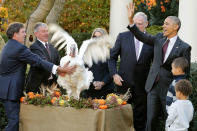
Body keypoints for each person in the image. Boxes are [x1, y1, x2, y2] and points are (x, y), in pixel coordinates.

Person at [127, 2, 191, 131]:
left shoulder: (184, 47)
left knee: (171, 120)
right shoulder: (158, 39)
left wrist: (180, 93)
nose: (163, 26)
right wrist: (131, 21)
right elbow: (142, 36)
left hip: (170, 90)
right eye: (164, 23)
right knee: (150, 120)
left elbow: (185, 73)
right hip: (152, 87)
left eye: (166, 24)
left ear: (175, 26)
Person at [0, 22, 76, 131]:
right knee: (14, 123)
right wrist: (59, 69)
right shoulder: (18, 48)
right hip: (10, 92)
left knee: (15, 122)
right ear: (15, 34)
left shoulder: (11, 45)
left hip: (8, 90)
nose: (25, 34)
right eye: (23, 32)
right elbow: (38, 61)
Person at [108, 12, 153, 131]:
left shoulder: (151, 41)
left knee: (140, 119)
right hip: (123, 83)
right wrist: (114, 74)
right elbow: (111, 58)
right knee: (119, 116)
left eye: (140, 24)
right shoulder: (123, 36)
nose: (137, 26)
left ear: (146, 24)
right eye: (135, 23)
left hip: (143, 86)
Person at [25, 22, 60, 93]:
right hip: (36, 87)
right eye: (43, 31)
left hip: (52, 86)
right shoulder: (34, 47)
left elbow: (58, 62)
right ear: (36, 34)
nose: (46, 33)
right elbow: (42, 63)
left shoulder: (53, 47)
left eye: (47, 31)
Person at [83, 28, 114, 99]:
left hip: (106, 89)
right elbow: (84, 70)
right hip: (89, 89)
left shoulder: (110, 51)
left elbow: (112, 70)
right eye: (95, 37)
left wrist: (102, 83)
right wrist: (92, 82)